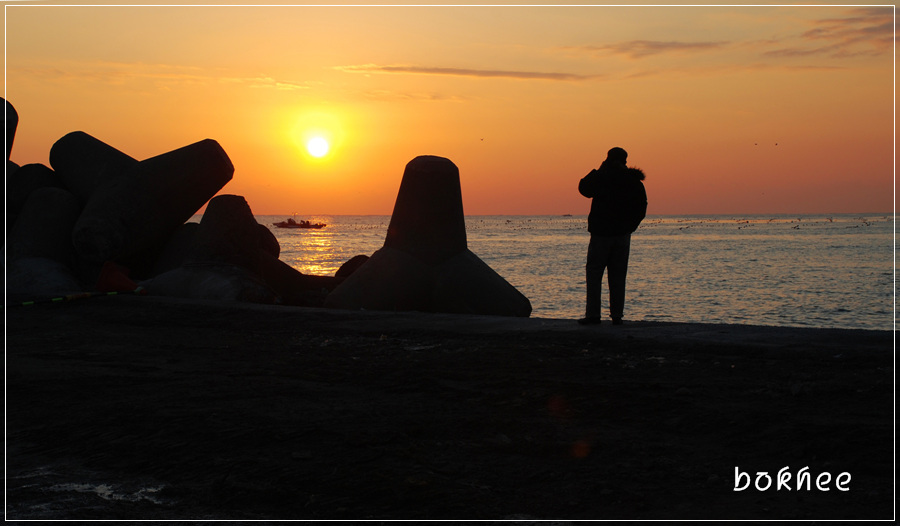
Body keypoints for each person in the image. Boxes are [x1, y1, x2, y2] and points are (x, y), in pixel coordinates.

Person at [577, 147, 647, 325]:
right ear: (625, 161)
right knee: (617, 275)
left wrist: (600, 169)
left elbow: (584, 188)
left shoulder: (603, 177)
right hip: (621, 234)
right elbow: (642, 206)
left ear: (607, 159)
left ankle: (593, 315)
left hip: (601, 233)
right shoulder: (632, 180)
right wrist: (630, 227)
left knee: (594, 274)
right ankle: (617, 316)